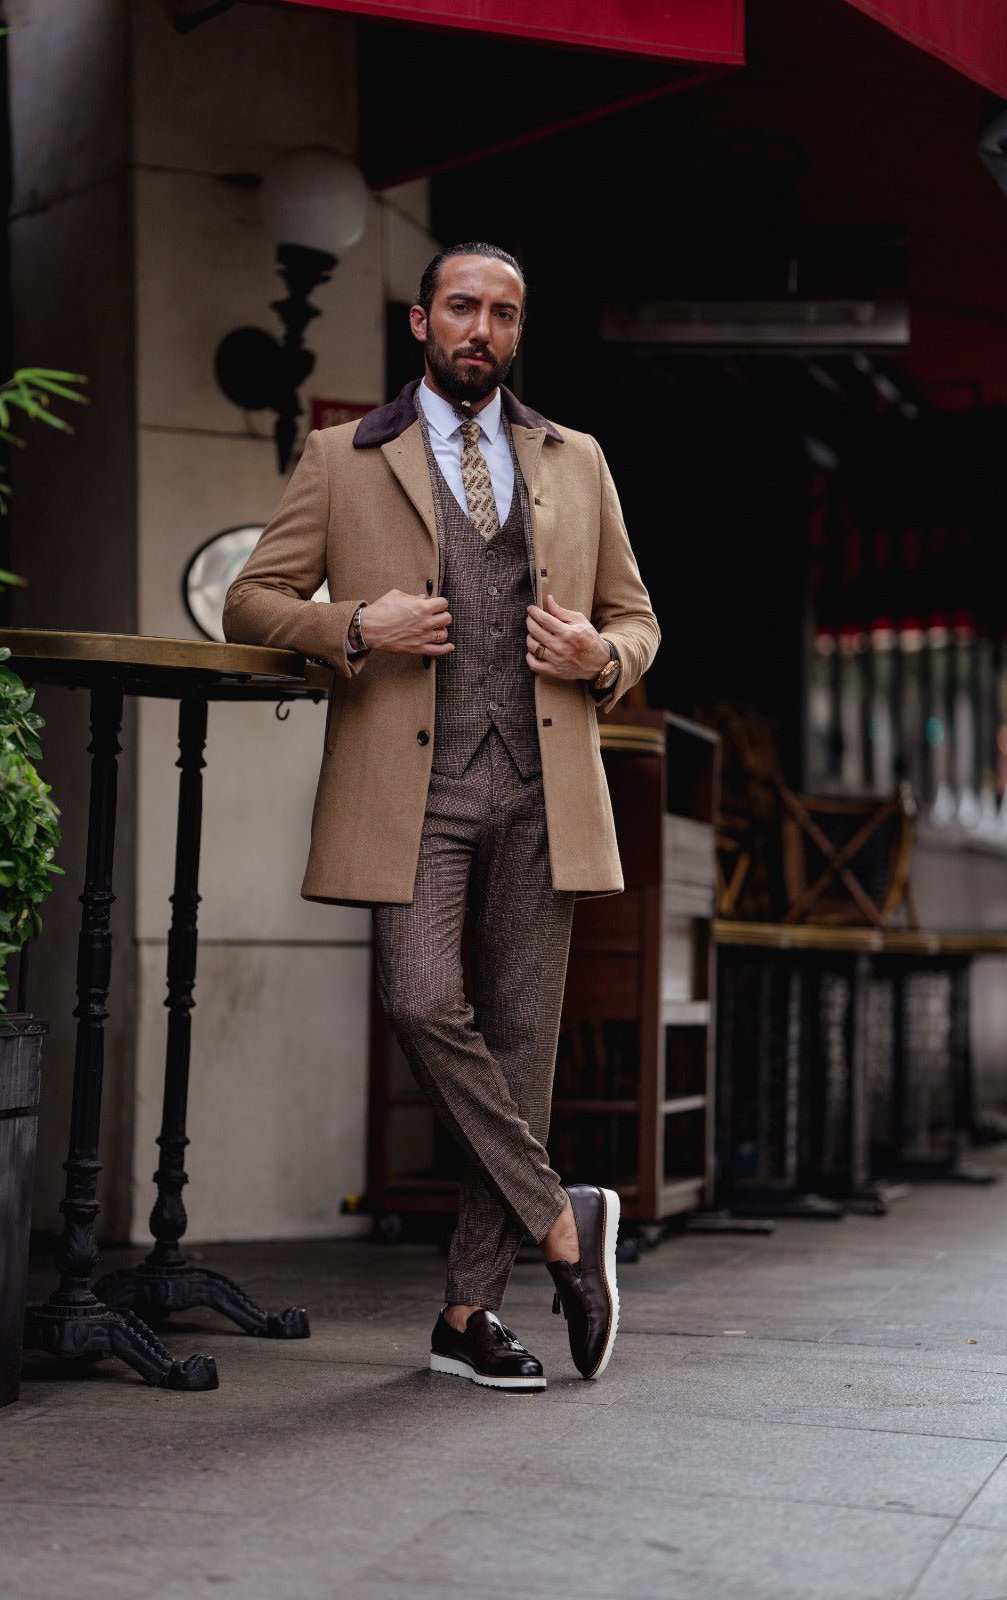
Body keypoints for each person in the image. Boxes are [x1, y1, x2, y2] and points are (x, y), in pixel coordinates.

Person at [223, 242, 659, 1391]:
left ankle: (469, 1312)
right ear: (420, 321)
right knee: (420, 997)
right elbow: (251, 600)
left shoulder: (577, 459)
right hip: (411, 787)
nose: (482, 329)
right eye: (462, 307)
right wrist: (357, 624)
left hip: (543, 786)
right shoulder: (340, 457)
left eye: (504, 314)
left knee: (520, 1055)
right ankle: (561, 1220)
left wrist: (599, 654)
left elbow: (637, 618)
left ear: (518, 332)